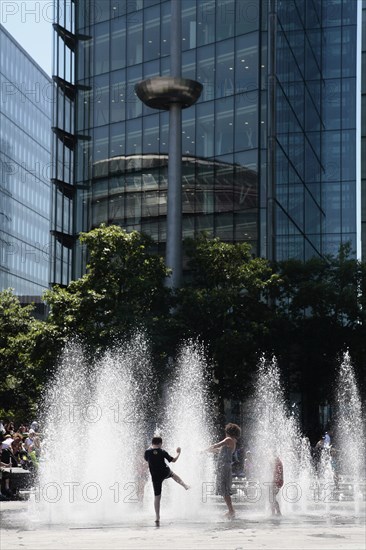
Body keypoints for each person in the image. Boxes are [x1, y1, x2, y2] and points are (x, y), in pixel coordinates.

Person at [144, 436, 189, 526]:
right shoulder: (162, 451)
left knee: (157, 497)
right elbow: (174, 460)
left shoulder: (147, 452)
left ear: (152, 443)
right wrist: (178, 453)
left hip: (155, 476)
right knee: (173, 475)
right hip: (164, 472)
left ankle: (157, 517)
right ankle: (185, 485)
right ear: (160, 443)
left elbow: (146, 459)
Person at [204, 422, 241, 519]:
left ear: (228, 431)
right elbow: (218, 450)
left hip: (224, 467)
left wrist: (204, 450)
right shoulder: (233, 441)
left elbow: (217, 445)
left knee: (224, 489)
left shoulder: (228, 439)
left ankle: (231, 511)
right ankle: (231, 510)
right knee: (224, 490)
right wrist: (207, 451)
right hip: (225, 466)